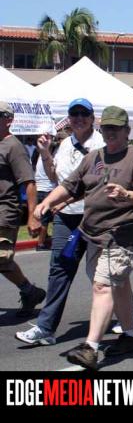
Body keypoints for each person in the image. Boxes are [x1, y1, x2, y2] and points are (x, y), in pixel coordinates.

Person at [33, 106, 133, 370]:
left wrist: (127, 195)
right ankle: (129, 336)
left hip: (121, 235)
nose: (110, 132)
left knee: (103, 286)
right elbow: (70, 186)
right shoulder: (94, 157)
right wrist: (46, 202)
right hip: (93, 234)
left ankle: (90, 348)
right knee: (118, 286)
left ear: (127, 131)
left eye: (116, 128)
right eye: (107, 128)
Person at [16, 99, 133, 347]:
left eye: (84, 113)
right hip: (67, 218)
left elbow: (95, 185)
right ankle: (45, 327)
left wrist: (63, 200)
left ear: (93, 118)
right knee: (60, 269)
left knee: (104, 273)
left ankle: (129, 313)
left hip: (95, 217)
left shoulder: (102, 144)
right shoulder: (64, 144)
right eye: (74, 114)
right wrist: (45, 154)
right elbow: (58, 178)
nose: (79, 118)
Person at [0, 102, 46, 316]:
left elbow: (29, 183)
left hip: (5, 211)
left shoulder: (13, 147)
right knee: (3, 261)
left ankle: (30, 291)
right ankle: (30, 291)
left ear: (8, 120)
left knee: (1, 258)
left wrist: (33, 216)